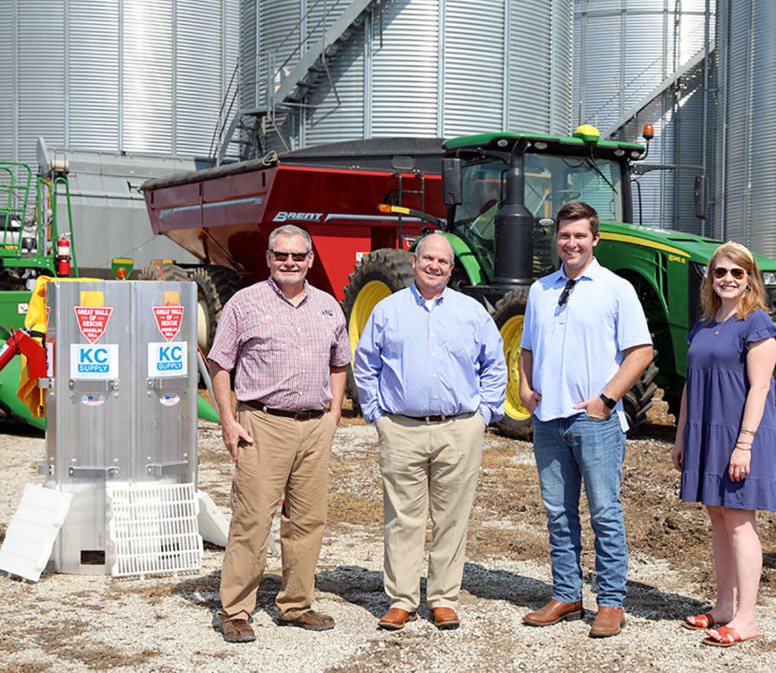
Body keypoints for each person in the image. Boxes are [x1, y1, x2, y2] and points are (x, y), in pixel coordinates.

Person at [353, 233, 507, 631]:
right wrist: (376, 415)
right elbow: (365, 364)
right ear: (415, 261)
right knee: (402, 518)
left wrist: (484, 416)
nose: (435, 266)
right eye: (428, 259)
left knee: (451, 518)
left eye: (443, 261)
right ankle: (401, 599)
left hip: (459, 429)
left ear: (451, 269)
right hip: (402, 429)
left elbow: (494, 366)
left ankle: (442, 598)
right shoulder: (388, 311)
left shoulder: (472, 312)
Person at [208, 224, 350, 643]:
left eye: (298, 256)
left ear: (310, 260)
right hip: (262, 424)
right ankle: (235, 610)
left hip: (314, 426)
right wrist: (228, 420)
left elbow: (340, 362)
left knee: (307, 520)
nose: (290, 262)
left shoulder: (327, 306)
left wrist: (334, 412)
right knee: (252, 519)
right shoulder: (243, 304)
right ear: (269, 258)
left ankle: (295, 605)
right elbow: (220, 364)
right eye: (281, 255)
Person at [518, 201, 653, 638]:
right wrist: (524, 387)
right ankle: (567, 594)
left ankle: (611, 602)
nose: (570, 242)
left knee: (604, 513)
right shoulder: (540, 290)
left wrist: (606, 399)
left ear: (595, 239)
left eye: (579, 235)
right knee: (558, 513)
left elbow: (641, 351)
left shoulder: (616, 289)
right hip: (549, 421)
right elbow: (527, 348)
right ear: (555, 239)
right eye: (564, 235)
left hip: (594, 422)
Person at [671, 241, 776, 648]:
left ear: (750, 277)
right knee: (717, 516)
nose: (728, 279)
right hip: (705, 431)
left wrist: (744, 444)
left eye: (738, 272)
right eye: (721, 272)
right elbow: (689, 387)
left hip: (740, 434)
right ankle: (722, 606)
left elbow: (760, 388)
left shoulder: (758, 324)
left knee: (739, 521)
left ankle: (746, 617)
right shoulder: (704, 325)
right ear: (710, 278)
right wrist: (682, 435)